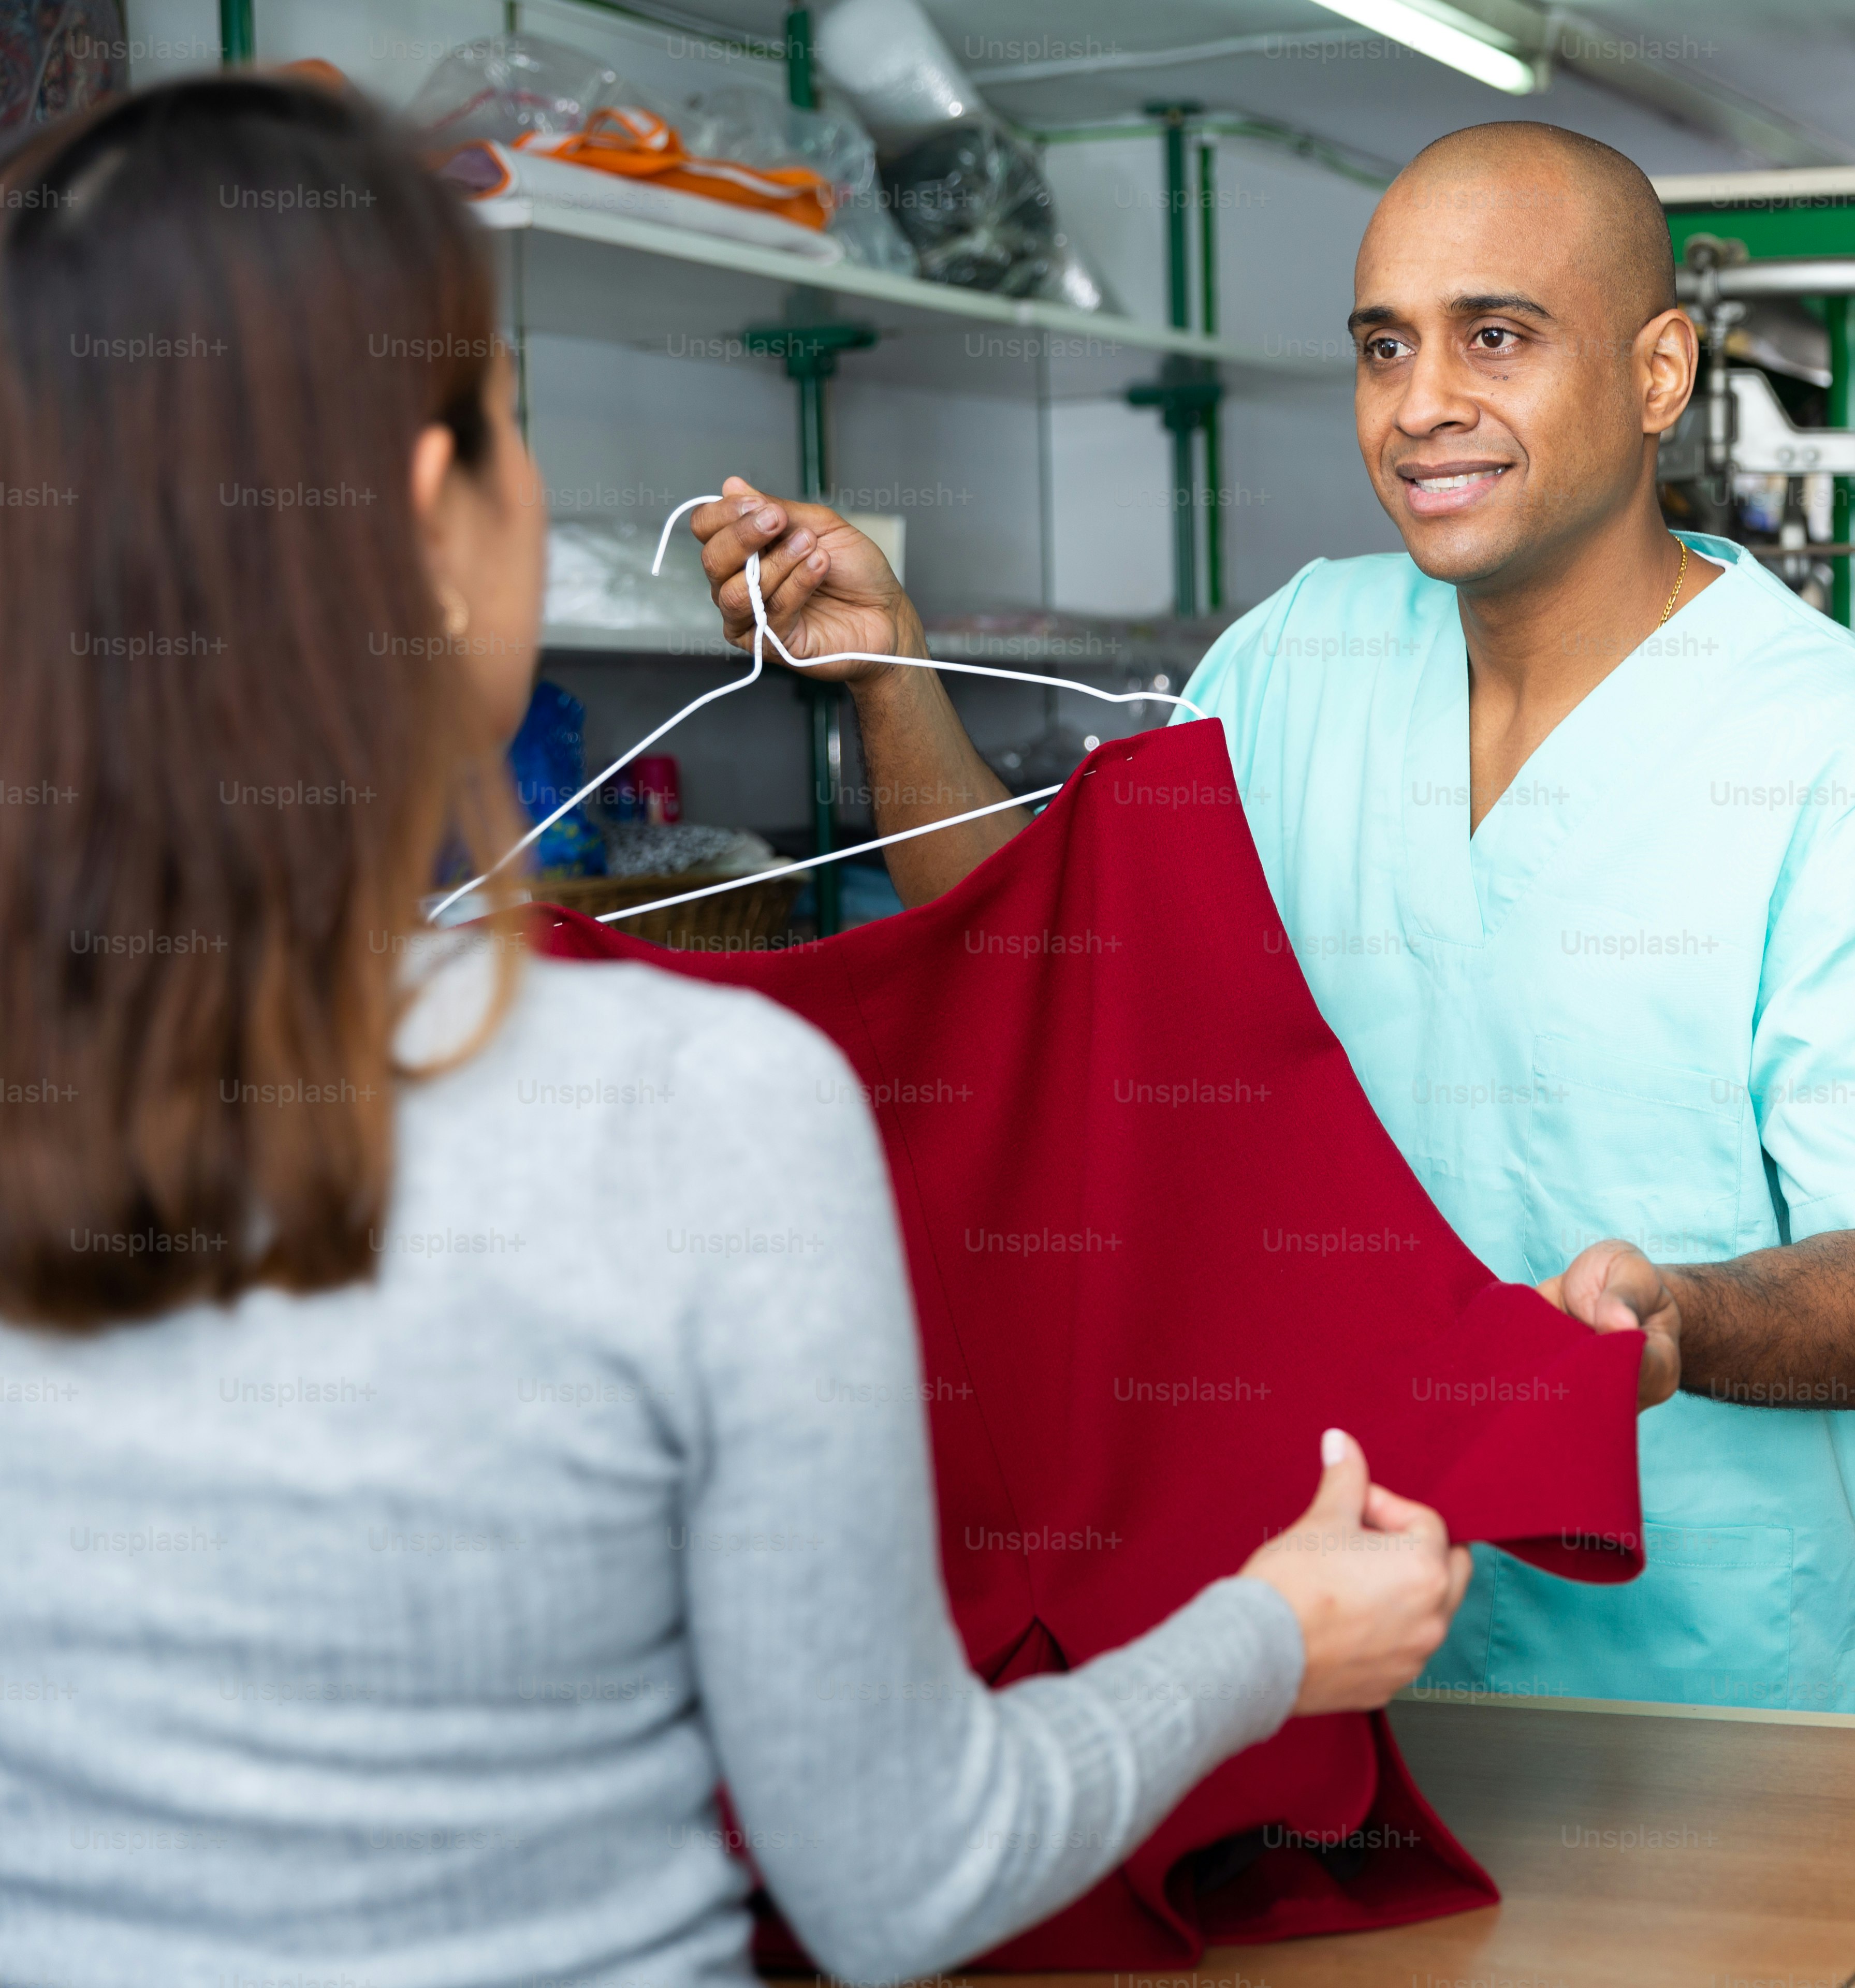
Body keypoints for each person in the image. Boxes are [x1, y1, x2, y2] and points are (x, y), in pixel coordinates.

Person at [0, 76, 1467, 1987]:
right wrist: (1277, 1637)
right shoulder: (686, 1114)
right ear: (438, 524)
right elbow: (905, 1871)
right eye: (515, 427)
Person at [689, 122, 1855, 1718]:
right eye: (1383, 346)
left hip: (1725, 1682)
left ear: (1659, 374)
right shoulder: (1300, 660)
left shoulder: (1852, 757)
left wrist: (1679, 1318)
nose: (1420, 407)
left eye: (1497, 337)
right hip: (1348, 1650)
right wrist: (889, 678)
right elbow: (1047, 982)